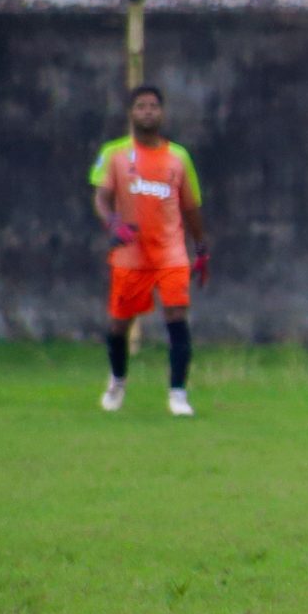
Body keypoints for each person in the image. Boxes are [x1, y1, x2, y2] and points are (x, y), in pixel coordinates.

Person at [90, 84, 208, 417]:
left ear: (162, 112)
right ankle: (117, 381)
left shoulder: (178, 157)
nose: (147, 111)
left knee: (176, 318)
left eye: (153, 106)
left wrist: (201, 245)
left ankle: (178, 394)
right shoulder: (114, 153)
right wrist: (112, 222)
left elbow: (191, 207)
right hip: (131, 254)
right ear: (131, 112)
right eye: (141, 106)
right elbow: (101, 197)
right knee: (119, 325)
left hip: (170, 252)